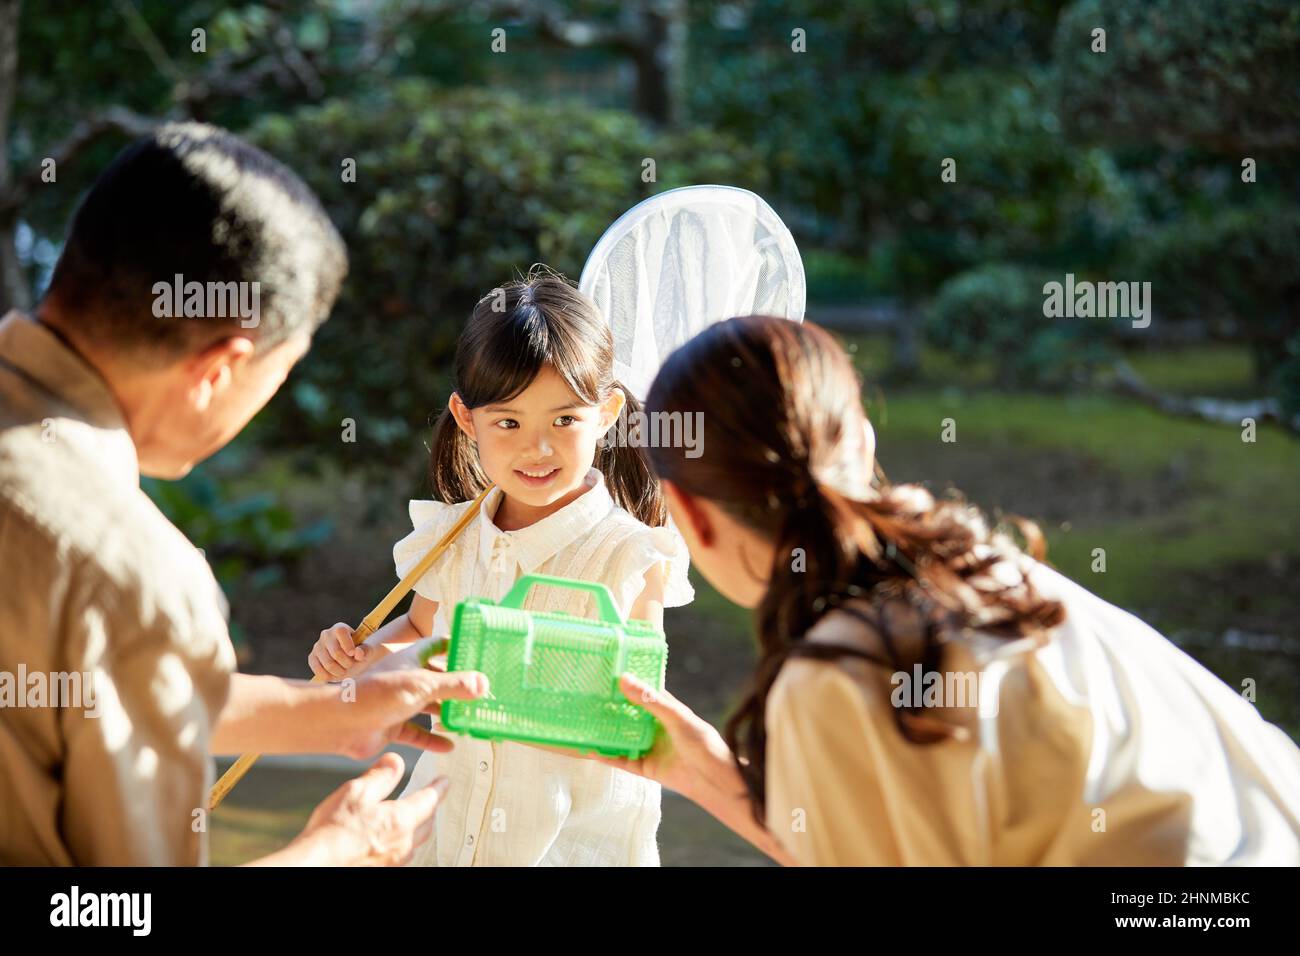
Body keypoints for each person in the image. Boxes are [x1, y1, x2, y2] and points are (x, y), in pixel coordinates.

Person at [590, 314, 1300, 865]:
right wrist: (711, 775)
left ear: (689, 519)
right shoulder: (994, 572)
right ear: (862, 442)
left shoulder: (844, 670)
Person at [0, 122, 487, 866]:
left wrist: (327, 713)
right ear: (220, 369)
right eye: (277, 376)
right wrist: (337, 850)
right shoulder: (128, 572)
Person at [308, 268, 693, 865]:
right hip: (446, 830)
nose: (537, 448)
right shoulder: (452, 538)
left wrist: (510, 671)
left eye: (564, 421)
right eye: (508, 423)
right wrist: (358, 660)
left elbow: (639, 705)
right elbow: (417, 633)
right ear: (467, 419)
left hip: (566, 847)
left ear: (608, 412)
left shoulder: (629, 556)